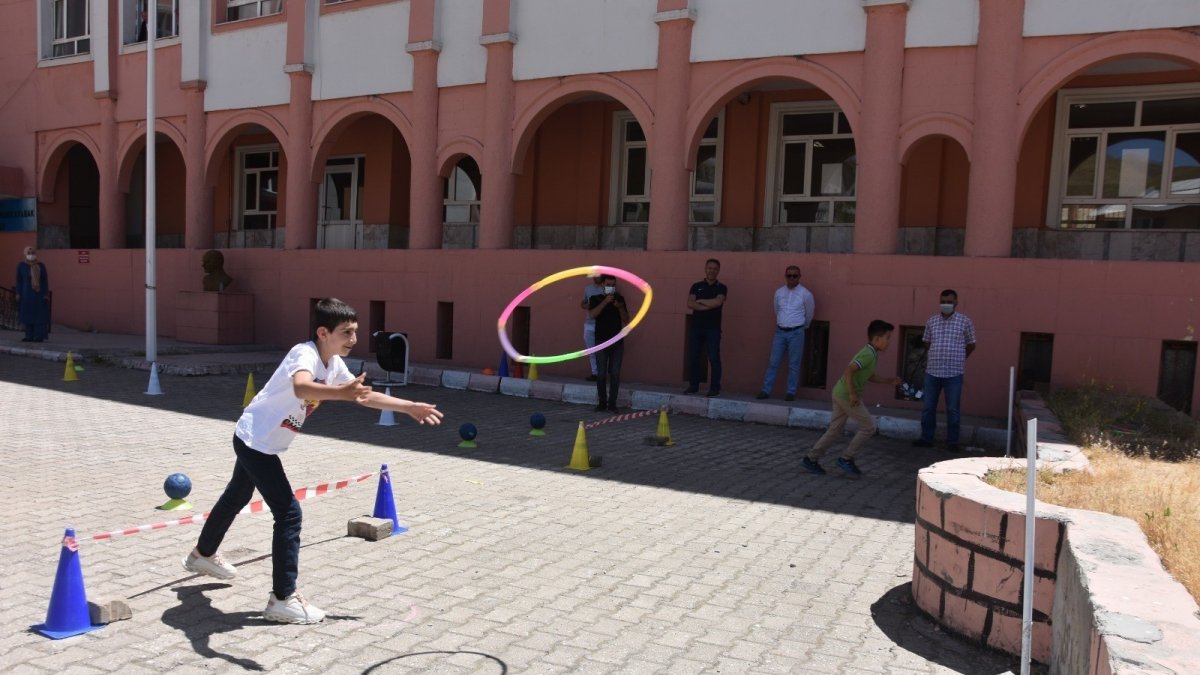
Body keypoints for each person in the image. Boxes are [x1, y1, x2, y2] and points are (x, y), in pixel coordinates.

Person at [182, 298, 444, 624]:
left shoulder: (333, 365)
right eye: (346, 332)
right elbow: (301, 387)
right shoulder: (303, 354)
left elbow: (362, 395)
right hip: (255, 440)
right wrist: (341, 393)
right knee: (289, 513)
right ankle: (283, 599)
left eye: (355, 332)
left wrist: (408, 407)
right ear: (323, 332)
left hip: (259, 439)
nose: (353, 339)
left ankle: (202, 554)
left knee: (237, 495)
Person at [801, 320, 901, 477]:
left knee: (835, 430)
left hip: (840, 393)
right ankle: (846, 458)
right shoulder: (868, 354)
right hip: (847, 395)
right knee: (868, 427)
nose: (889, 342)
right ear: (876, 339)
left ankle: (810, 459)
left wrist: (889, 381)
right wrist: (852, 393)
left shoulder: (872, 353)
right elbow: (849, 371)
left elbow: (869, 375)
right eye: (887, 338)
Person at [912, 289, 976, 453]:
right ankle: (926, 438)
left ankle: (952, 442)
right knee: (928, 407)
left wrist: (959, 357)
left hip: (954, 374)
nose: (946, 304)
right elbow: (927, 342)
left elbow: (971, 344)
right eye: (943, 301)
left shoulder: (965, 322)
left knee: (953, 409)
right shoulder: (931, 321)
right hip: (932, 372)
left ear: (956, 303)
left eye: (949, 302)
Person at [756, 265, 815, 401]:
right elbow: (777, 310)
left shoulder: (806, 294)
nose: (791, 278)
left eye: (795, 275)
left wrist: (803, 326)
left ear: (799, 277)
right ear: (785, 276)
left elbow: (810, 313)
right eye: (789, 275)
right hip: (780, 332)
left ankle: (790, 392)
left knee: (794, 364)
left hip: (796, 332)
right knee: (773, 362)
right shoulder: (779, 292)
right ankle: (765, 390)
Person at [587, 274, 630, 413]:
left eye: (613, 285)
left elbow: (626, 319)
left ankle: (612, 404)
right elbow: (592, 315)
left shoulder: (620, 299)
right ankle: (602, 403)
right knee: (601, 373)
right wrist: (605, 301)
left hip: (617, 341)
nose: (611, 288)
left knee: (615, 373)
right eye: (608, 285)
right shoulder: (595, 298)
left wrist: (620, 307)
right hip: (601, 341)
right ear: (602, 285)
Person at [684, 258, 727, 397]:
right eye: (710, 268)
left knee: (714, 358)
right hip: (696, 327)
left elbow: (718, 302)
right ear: (705, 269)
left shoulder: (722, 287)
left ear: (718, 271)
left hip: (713, 328)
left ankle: (715, 388)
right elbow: (690, 303)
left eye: (715, 269)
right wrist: (709, 305)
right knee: (694, 357)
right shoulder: (696, 286)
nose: (712, 271)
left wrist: (701, 302)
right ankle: (693, 386)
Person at [15, 246, 50, 342]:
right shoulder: (21, 266)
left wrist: (46, 294)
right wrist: (18, 293)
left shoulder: (41, 266)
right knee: (27, 316)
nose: (31, 255)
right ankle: (29, 336)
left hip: (39, 295)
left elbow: (44, 281)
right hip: (26, 295)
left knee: (39, 316)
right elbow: (19, 281)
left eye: (33, 253)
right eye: (29, 253)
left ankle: (39, 336)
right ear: (25, 254)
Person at [580, 275, 606, 381]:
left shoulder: (607, 288)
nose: (597, 276)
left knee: (603, 351)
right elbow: (583, 304)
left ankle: (602, 374)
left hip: (602, 324)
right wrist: (587, 305)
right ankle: (595, 374)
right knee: (591, 351)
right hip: (589, 323)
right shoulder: (588, 289)